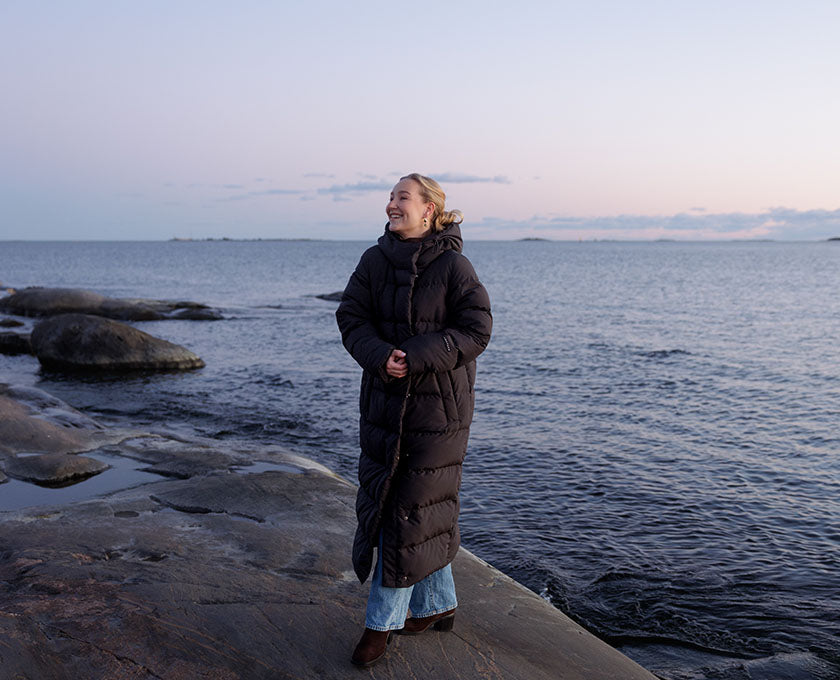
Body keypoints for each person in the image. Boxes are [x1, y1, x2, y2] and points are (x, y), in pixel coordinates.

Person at [336, 173, 492, 667]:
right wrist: (381, 355)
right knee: (414, 509)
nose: (390, 205)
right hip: (384, 406)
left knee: (404, 511)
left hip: (438, 411)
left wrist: (418, 354)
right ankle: (437, 604)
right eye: (390, 197)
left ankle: (380, 625)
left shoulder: (452, 265)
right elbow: (350, 317)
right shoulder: (373, 260)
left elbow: (477, 328)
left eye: (402, 197)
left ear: (429, 209)